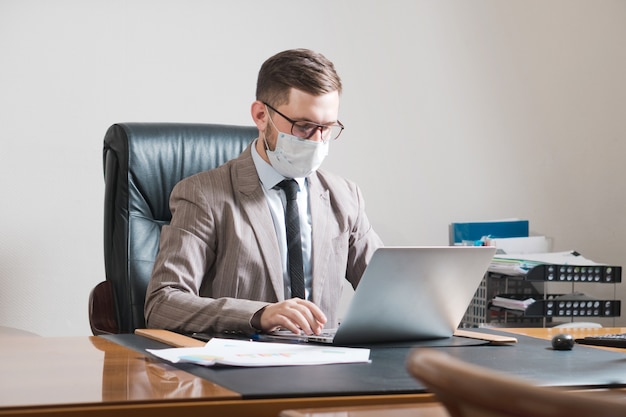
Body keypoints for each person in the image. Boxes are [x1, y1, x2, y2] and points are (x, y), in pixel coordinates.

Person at [144, 48, 383, 337]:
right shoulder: (204, 195)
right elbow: (163, 303)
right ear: (261, 116)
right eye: (304, 127)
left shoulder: (345, 197)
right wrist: (259, 315)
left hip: (327, 369)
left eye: (327, 128)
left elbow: (390, 291)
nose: (318, 141)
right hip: (241, 371)